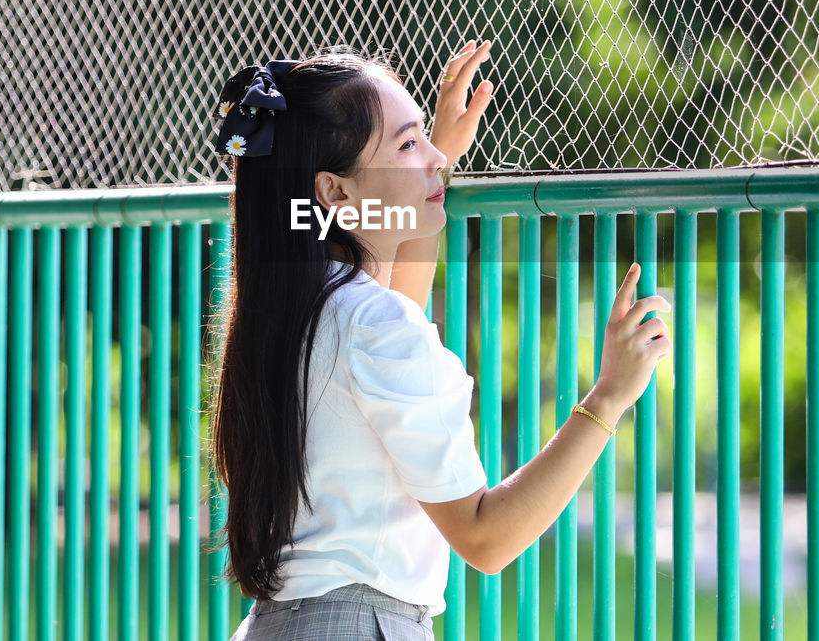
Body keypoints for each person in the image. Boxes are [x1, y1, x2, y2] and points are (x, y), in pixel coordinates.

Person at [206, 42, 672, 640]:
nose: (432, 159)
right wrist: (608, 398)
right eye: (407, 144)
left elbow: (396, 318)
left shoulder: (296, 311)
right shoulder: (370, 325)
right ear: (336, 192)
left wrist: (435, 162)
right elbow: (485, 535)